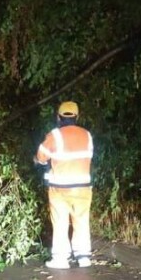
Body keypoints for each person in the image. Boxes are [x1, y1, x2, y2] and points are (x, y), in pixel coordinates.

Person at [34, 101, 94, 269]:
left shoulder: (55, 135)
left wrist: (37, 162)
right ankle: (83, 256)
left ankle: (60, 259)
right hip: (83, 186)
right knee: (81, 220)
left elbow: (41, 157)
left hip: (59, 188)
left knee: (60, 221)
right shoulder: (87, 135)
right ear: (77, 117)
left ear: (58, 117)